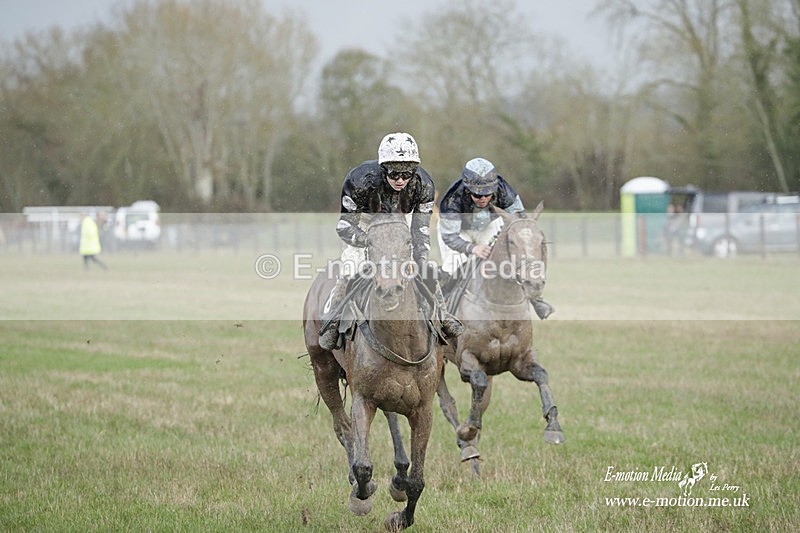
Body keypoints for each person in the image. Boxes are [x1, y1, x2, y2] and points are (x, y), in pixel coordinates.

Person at [318, 132, 463, 351]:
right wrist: (369, 241)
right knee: (350, 268)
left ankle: (442, 315)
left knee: (425, 268)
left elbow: (420, 229)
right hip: (365, 223)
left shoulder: (424, 185)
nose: (400, 180)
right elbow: (344, 226)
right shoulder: (360, 180)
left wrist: (421, 260)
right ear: (383, 168)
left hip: (400, 223)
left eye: (407, 174)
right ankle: (332, 320)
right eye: (395, 173)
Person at [437, 157, 554, 319]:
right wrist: (472, 248)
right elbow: (449, 236)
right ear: (468, 190)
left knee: (504, 261)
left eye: (487, 194)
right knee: (452, 267)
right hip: (458, 232)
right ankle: (442, 311)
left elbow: (520, 221)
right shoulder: (452, 200)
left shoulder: (504, 190)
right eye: (478, 195)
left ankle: (536, 299)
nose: (483, 198)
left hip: (487, 225)